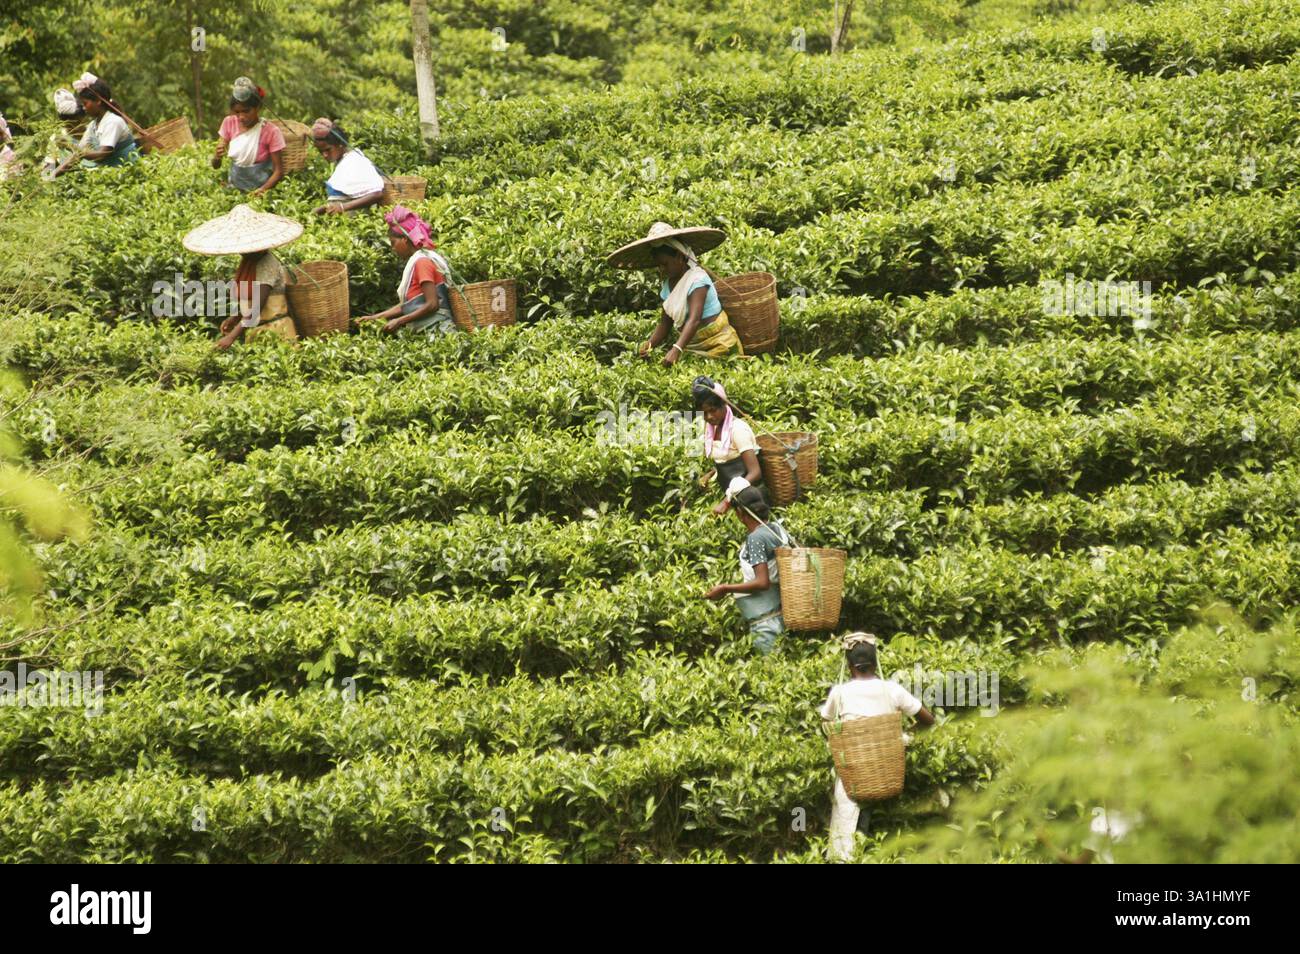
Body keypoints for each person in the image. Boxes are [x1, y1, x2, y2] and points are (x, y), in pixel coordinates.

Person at [820, 633, 936, 862]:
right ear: (875, 664)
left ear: (850, 666)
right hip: (887, 769)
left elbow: (826, 722)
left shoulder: (840, 692)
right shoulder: (892, 689)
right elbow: (928, 720)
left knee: (848, 803)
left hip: (855, 772)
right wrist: (902, 737)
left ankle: (843, 855)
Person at [606, 221, 744, 365]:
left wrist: (676, 349)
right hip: (691, 348)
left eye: (665, 264)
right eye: (659, 265)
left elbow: (694, 320)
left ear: (679, 256)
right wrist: (649, 345)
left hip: (719, 344)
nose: (662, 270)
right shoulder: (667, 286)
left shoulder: (697, 280)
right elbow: (665, 323)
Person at [180, 204, 303, 350]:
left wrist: (231, 337)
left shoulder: (266, 263)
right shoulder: (250, 262)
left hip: (277, 331)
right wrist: (236, 317)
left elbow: (256, 308)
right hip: (259, 329)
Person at [704, 485, 790, 654]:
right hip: (779, 616)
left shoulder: (756, 538)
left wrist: (725, 588)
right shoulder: (775, 528)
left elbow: (762, 582)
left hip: (767, 623)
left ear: (740, 514)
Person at [355, 205, 458, 335]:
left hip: (439, 332)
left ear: (404, 239)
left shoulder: (422, 262)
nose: (393, 248)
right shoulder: (419, 261)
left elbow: (432, 304)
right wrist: (374, 318)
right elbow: (410, 305)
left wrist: (398, 322)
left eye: (393, 242)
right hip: (429, 332)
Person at [692, 375, 762, 515]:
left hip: (751, 502)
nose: (709, 417)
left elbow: (755, 473)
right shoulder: (713, 429)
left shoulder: (737, 430)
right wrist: (711, 474)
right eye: (705, 413)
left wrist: (726, 501)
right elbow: (728, 460)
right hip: (733, 498)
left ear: (725, 405)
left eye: (713, 410)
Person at [52, 73, 139, 175]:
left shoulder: (113, 122)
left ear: (98, 101)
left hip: (130, 172)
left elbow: (102, 154)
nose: (84, 108)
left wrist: (69, 145)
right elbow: (76, 156)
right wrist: (50, 176)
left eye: (85, 103)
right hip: (113, 175)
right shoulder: (93, 126)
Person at [212, 77, 285, 195]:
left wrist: (262, 191)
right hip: (234, 191)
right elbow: (216, 166)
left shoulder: (271, 131)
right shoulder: (229, 123)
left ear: (257, 108)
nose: (241, 117)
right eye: (237, 112)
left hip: (262, 192)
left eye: (246, 111)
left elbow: (278, 171)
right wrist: (217, 157)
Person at [310, 118, 384, 215]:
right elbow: (345, 198)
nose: (324, 155)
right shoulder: (343, 161)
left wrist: (343, 207)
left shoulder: (356, 161)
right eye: (321, 151)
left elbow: (376, 194)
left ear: (340, 145)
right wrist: (324, 208)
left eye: (328, 150)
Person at [41, 89, 85, 180]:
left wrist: (69, 146)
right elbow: (47, 173)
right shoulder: (57, 138)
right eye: (69, 124)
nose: (76, 127)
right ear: (63, 122)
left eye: (78, 122)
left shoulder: (92, 132)